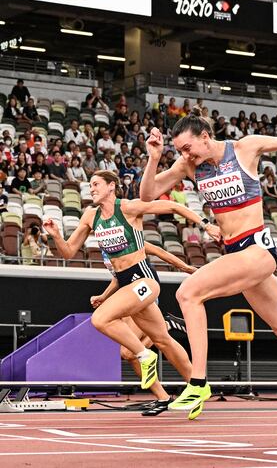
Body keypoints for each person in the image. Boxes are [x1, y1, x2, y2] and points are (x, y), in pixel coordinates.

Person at [139, 109, 277, 418]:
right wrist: (154, 158)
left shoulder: (245, 148)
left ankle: (198, 382)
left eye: (187, 147)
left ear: (205, 137)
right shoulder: (189, 165)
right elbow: (148, 195)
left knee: (188, 293)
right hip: (236, 253)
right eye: (179, 150)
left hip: (258, 249)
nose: (184, 154)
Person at [42, 171, 222, 420]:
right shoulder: (90, 217)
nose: (91, 189)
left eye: (96, 184)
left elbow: (171, 205)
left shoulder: (127, 208)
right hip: (125, 282)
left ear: (111, 187)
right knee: (163, 340)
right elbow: (69, 252)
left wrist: (206, 224)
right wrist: (57, 237)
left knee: (101, 320)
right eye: (90, 185)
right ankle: (200, 387)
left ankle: (143, 355)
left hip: (145, 280)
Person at [91, 242, 195, 416]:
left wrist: (187, 269)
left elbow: (160, 252)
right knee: (131, 354)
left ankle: (193, 388)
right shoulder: (105, 246)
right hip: (126, 296)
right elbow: (118, 277)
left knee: (128, 352)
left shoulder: (128, 237)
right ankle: (163, 398)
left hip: (143, 293)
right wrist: (103, 296)